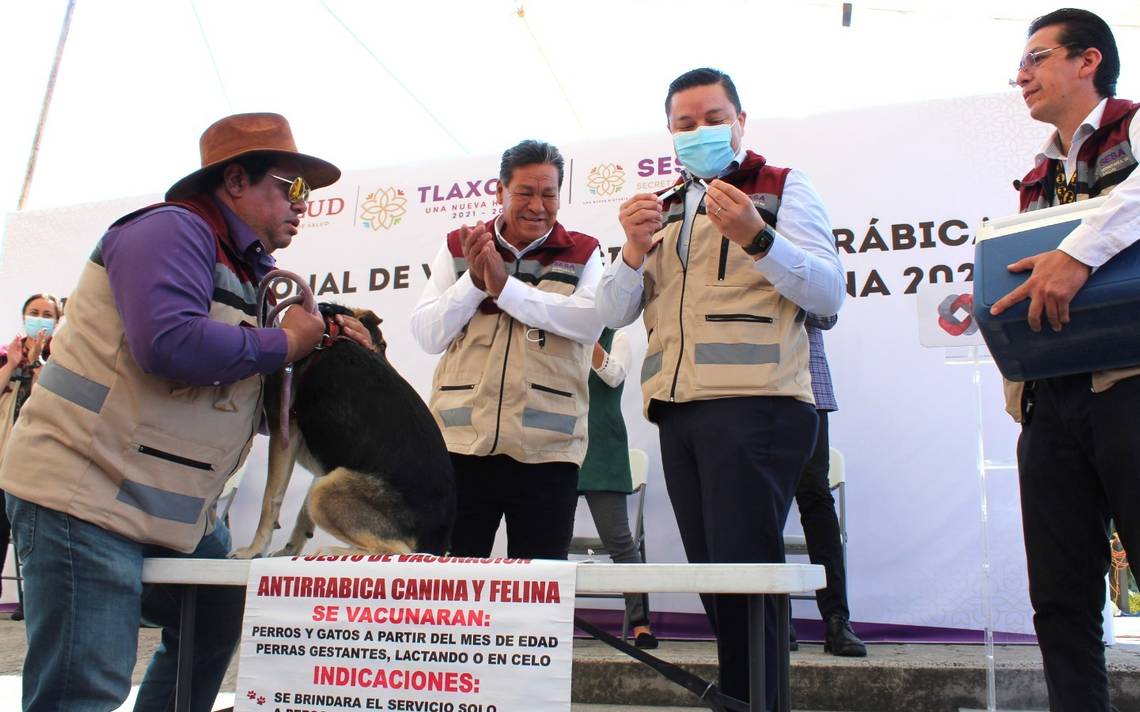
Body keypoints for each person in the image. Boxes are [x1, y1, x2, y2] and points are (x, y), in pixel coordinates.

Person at [0, 113, 372, 712]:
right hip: (84, 496)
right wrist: (288, 343)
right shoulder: (171, 231)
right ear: (233, 181)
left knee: (213, 621)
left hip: (168, 510)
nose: (304, 204)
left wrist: (330, 360)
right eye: (291, 185)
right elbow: (169, 344)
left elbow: (230, 394)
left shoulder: (251, 272)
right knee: (86, 688)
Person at [596, 67, 845, 707]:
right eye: (685, 124)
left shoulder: (781, 186)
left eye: (712, 119)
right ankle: (747, 697)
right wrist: (629, 248)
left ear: (740, 121)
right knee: (716, 579)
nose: (699, 132)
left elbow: (826, 291)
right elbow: (614, 312)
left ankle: (758, 700)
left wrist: (757, 239)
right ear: (670, 134)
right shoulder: (663, 206)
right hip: (679, 413)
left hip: (759, 406)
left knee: (746, 575)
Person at [991, 9, 1140, 710]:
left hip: (1131, 386)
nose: (1022, 75)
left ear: (1089, 60)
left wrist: (1077, 252)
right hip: (1050, 400)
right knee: (1059, 596)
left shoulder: (1133, 127)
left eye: (1037, 57)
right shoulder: (1036, 174)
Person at [411, 139, 605, 560]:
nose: (538, 205)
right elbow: (428, 334)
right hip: (458, 450)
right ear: (499, 192)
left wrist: (505, 288)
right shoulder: (459, 246)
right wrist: (474, 282)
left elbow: (589, 321)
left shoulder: (585, 252)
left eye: (549, 194)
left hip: (548, 454)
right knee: (449, 592)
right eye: (525, 193)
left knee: (538, 594)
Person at [789, 314, 865, 656]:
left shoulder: (811, 256)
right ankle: (772, 620)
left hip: (806, 384)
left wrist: (776, 267)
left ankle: (836, 620)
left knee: (815, 498)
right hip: (749, 385)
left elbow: (826, 313)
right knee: (757, 504)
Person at [577, 327, 656, 648]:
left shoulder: (618, 337)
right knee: (549, 542)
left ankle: (640, 623)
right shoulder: (557, 331)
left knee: (620, 542)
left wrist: (582, 335)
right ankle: (547, 618)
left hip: (603, 449)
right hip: (561, 442)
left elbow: (613, 375)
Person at [0, 293, 62, 622]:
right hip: (2, 465)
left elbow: (53, 400)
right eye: (34, 312)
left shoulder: (61, 359)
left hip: (37, 472)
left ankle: (32, 604)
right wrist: (12, 364)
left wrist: (38, 363)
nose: (40, 318)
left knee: (33, 543)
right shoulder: (4, 357)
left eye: (47, 313)